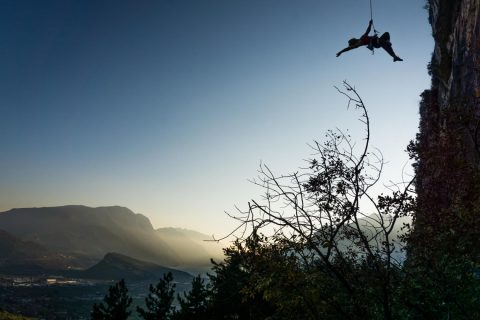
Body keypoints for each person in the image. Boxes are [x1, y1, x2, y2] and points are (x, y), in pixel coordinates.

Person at [336, 20, 403, 62]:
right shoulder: (358, 43)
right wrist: (340, 52)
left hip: (378, 40)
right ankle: (393, 55)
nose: (352, 38)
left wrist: (370, 24)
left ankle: (394, 56)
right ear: (353, 41)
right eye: (351, 40)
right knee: (384, 43)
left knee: (386, 34)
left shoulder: (362, 37)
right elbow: (348, 48)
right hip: (375, 43)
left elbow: (367, 31)